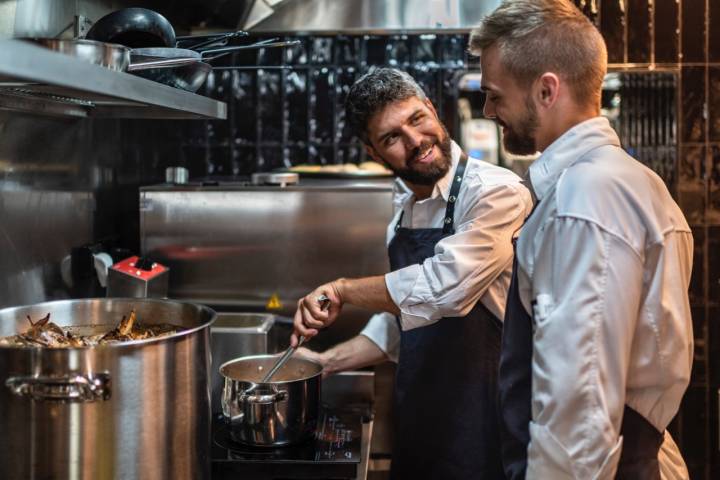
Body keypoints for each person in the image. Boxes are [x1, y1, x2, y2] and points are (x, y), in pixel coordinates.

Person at [469, 1, 693, 479]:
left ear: (547, 90)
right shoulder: (632, 181)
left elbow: (579, 411)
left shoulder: (584, 200)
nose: (488, 111)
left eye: (494, 95)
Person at [290, 67, 532, 479]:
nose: (415, 141)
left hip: (487, 427)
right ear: (374, 152)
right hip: (422, 429)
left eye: (416, 119)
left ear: (433, 111)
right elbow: (408, 318)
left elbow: (444, 290)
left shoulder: (495, 192)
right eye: (391, 137)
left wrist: (342, 290)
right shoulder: (403, 209)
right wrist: (324, 363)